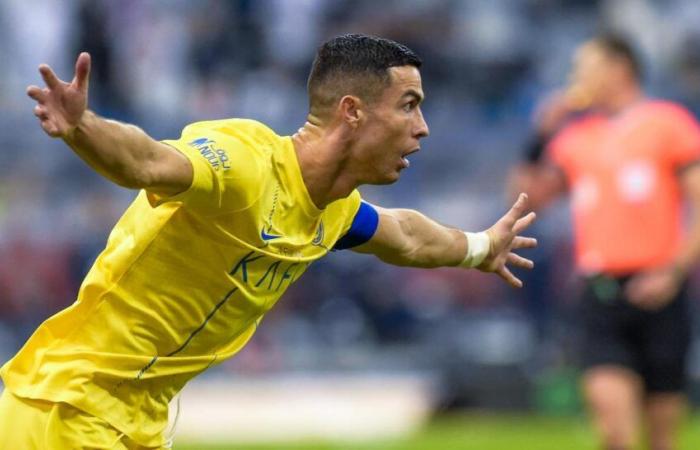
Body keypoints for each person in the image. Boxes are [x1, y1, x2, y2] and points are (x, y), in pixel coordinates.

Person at [0, 34, 536, 449]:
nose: (421, 128)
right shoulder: (245, 164)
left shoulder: (331, 209)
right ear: (351, 111)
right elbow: (148, 160)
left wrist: (478, 248)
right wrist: (82, 127)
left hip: (135, 420)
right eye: (408, 104)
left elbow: (406, 237)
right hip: (69, 407)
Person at [511, 34, 700, 450]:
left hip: (661, 292)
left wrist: (672, 272)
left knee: (662, 437)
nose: (576, 78)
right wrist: (540, 136)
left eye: (585, 66)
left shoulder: (669, 124)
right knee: (614, 432)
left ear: (619, 68)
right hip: (600, 292)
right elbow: (525, 200)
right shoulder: (576, 138)